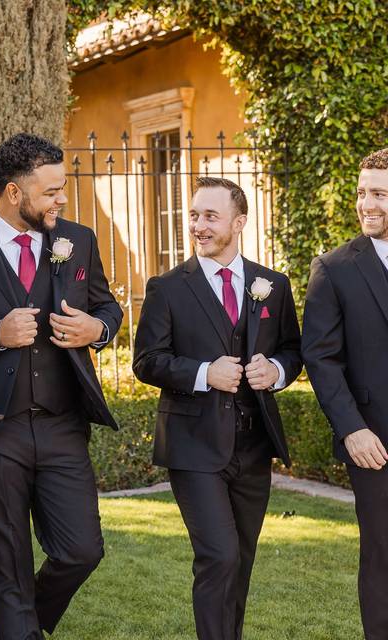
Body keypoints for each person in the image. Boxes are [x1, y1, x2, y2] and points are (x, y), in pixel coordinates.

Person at [0, 132, 122, 639]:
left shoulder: (77, 239)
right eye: (50, 192)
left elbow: (106, 305)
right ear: (12, 194)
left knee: (81, 550)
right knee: (5, 562)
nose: (61, 200)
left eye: (62, 188)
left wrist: (99, 329)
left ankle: (31, 619)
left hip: (62, 423)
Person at [133, 176, 302, 640]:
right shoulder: (167, 288)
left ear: (239, 222)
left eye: (210, 216)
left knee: (241, 560)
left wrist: (278, 372)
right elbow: (146, 362)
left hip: (253, 447)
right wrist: (205, 373)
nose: (198, 226)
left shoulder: (273, 285)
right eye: (193, 215)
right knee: (219, 556)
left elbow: (292, 349)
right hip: (194, 445)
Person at [302, 148, 388, 640]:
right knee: (382, 554)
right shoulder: (334, 269)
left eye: (378, 193)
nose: (366, 204)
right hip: (375, 444)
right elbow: (321, 358)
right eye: (361, 192)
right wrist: (353, 429)